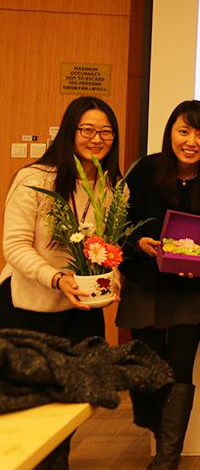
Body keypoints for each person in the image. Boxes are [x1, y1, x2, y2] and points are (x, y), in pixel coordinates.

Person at [0, 95, 121, 468]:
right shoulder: (36, 179)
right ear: (70, 131)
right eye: (88, 130)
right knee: (26, 409)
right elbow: (14, 247)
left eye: (105, 132)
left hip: (81, 311)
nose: (96, 139)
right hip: (28, 308)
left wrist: (113, 278)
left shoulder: (113, 186)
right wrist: (56, 278)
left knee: (69, 404)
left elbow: (111, 246)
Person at [117, 100, 200, 469]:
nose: (191, 141)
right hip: (145, 286)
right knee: (147, 370)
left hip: (189, 293)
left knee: (180, 371)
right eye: (184, 131)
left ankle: (168, 458)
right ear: (170, 133)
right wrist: (138, 244)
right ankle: (156, 439)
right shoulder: (145, 170)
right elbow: (119, 223)